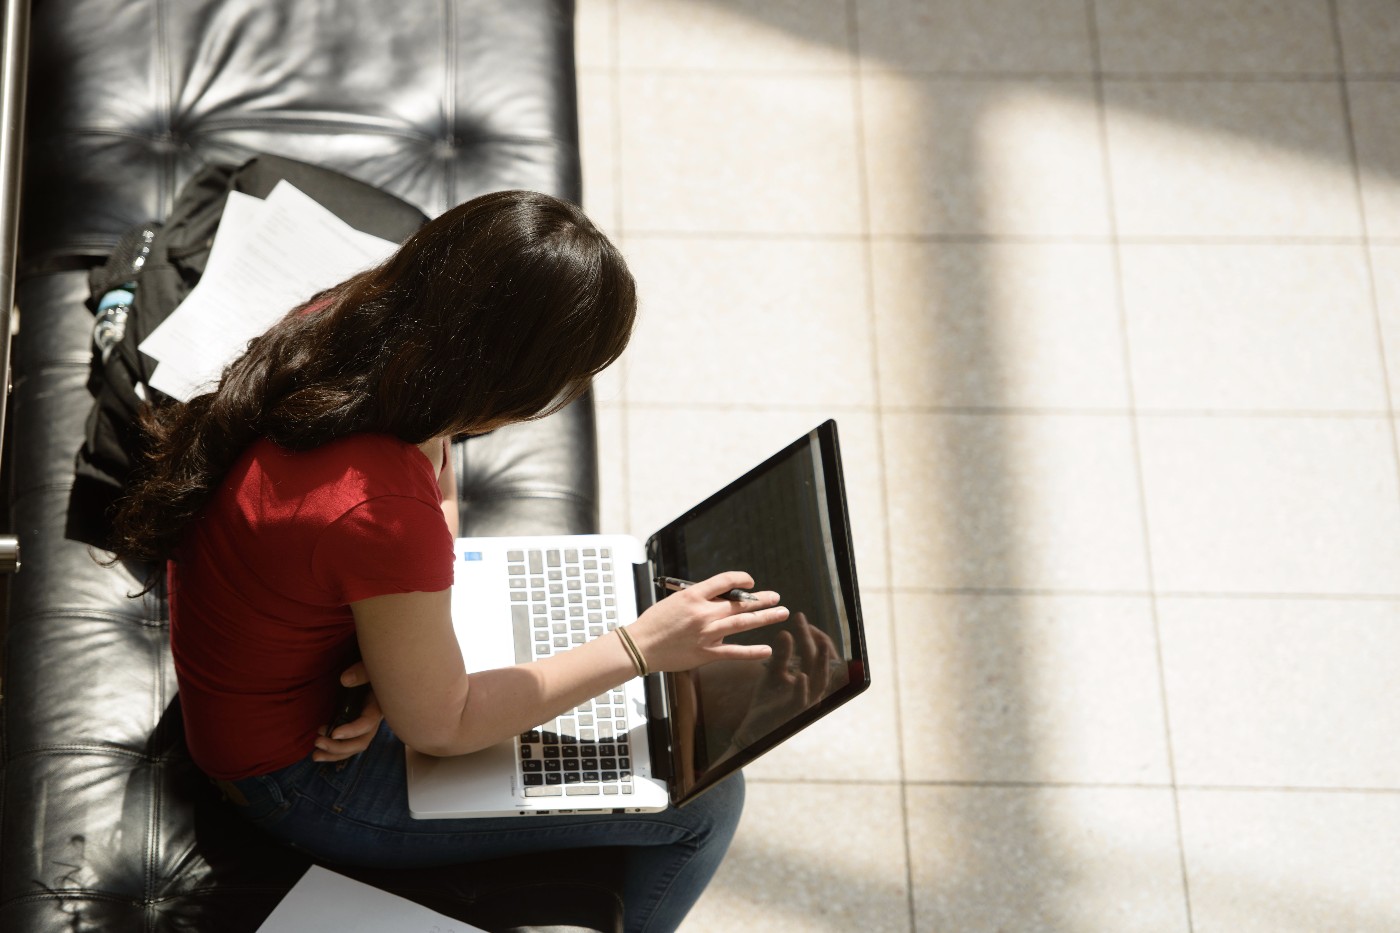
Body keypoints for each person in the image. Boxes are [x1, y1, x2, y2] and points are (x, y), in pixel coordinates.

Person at [108, 189, 789, 933]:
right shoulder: (378, 509)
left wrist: (389, 665)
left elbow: (431, 465)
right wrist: (639, 645)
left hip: (294, 692)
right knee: (705, 801)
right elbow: (445, 723)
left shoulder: (351, 329)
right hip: (293, 778)